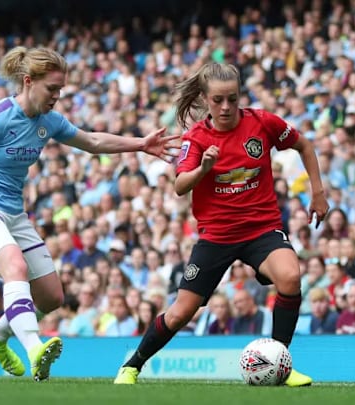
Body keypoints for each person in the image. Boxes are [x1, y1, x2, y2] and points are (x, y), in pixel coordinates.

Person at [0, 46, 179, 381]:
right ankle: (34, 348)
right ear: (28, 82)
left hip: (13, 214)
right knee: (15, 266)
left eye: (61, 89)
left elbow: (91, 141)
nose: (57, 96)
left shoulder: (50, 121)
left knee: (51, 296)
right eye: (52, 88)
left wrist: (141, 144)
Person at [113, 62, 329, 387]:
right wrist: (203, 168)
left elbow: (304, 146)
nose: (226, 106)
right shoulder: (197, 138)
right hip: (217, 236)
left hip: (261, 229)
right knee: (180, 312)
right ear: (205, 98)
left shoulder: (263, 123)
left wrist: (318, 192)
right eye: (218, 100)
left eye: (232, 98)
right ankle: (132, 366)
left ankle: (280, 365)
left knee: (290, 277)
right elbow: (180, 185)